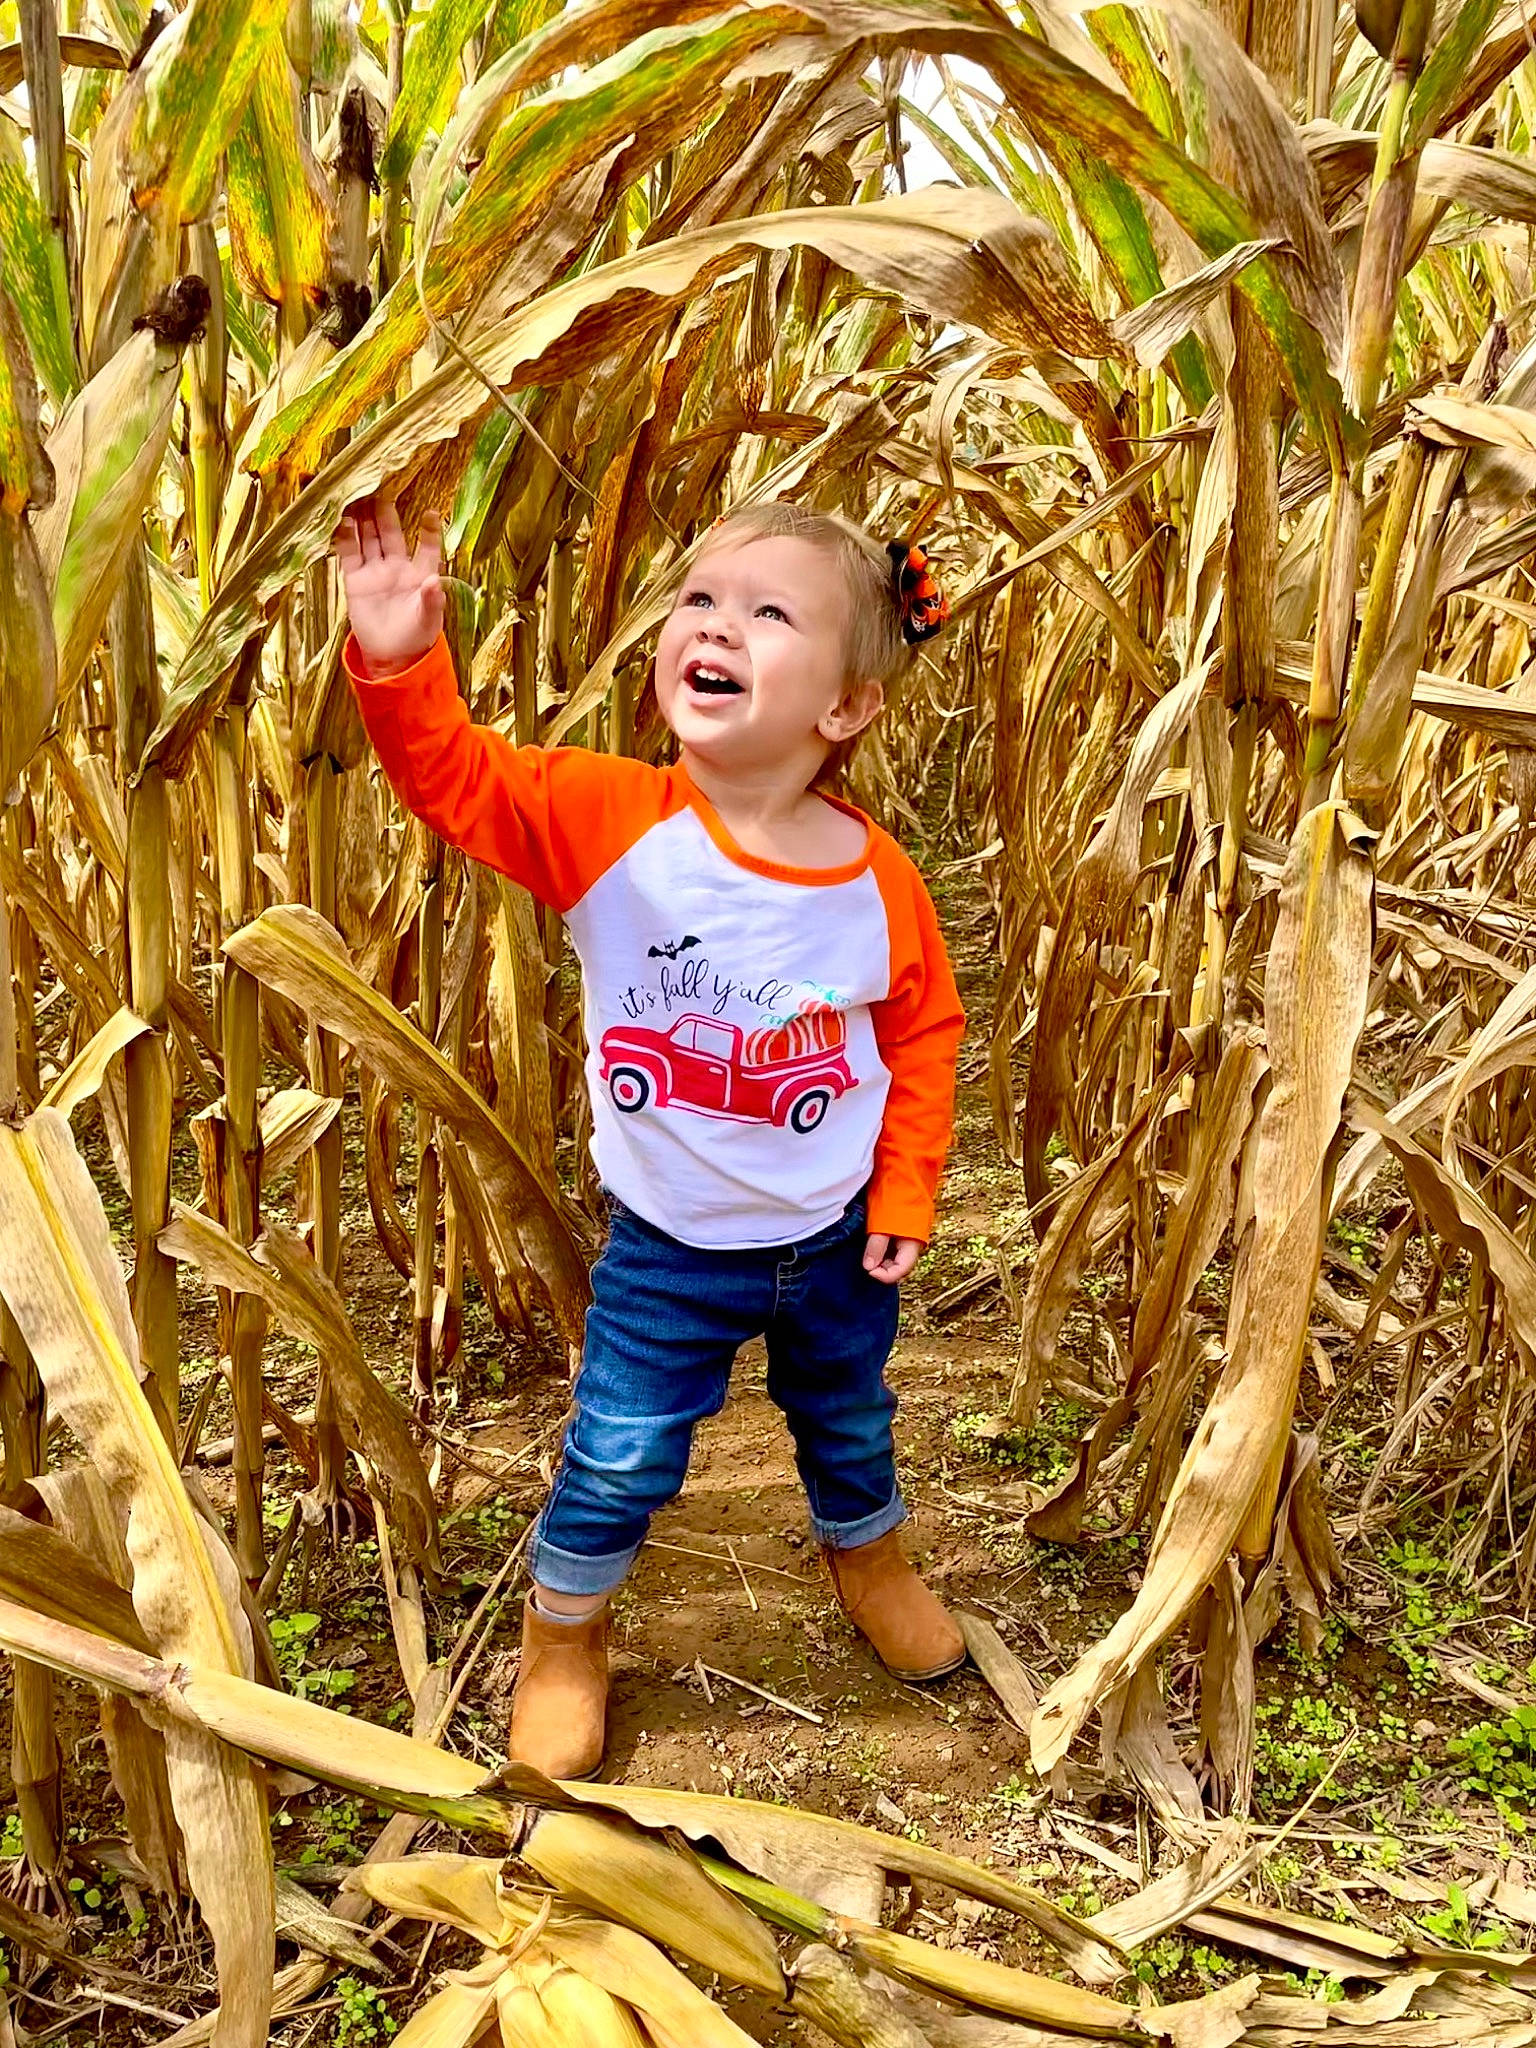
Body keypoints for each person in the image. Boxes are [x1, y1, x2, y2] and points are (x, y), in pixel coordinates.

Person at [334, 492, 967, 1779]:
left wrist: (904, 1190)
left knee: (848, 1415)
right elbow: (453, 778)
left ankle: (870, 1554)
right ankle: (564, 1627)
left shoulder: (875, 876)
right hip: (669, 1249)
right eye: (700, 601)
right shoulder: (607, 819)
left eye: (767, 610)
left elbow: (922, 1036)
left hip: (835, 1235)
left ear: (843, 706)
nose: (715, 624)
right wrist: (400, 658)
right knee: (620, 1450)